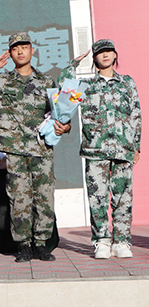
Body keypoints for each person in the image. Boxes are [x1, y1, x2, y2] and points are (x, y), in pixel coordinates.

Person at [0, 32, 71, 262]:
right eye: (15, 48)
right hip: (14, 148)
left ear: (33, 50)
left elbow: (59, 113)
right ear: (10, 53)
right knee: (19, 197)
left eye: (24, 47)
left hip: (41, 147)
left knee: (44, 196)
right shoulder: (1, 80)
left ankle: (41, 244)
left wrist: (66, 127)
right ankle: (24, 245)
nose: (20, 51)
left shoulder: (46, 81)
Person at [59, 39, 142, 259]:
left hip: (123, 148)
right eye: (100, 52)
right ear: (94, 58)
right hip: (95, 150)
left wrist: (137, 145)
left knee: (123, 198)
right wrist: (73, 64)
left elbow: (136, 113)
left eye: (109, 51)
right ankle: (102, 241)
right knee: (97, 198)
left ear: (115, 55)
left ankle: (121, 241)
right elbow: (64, 88)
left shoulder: (127, 82)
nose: (105, 55)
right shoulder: (86, 85)